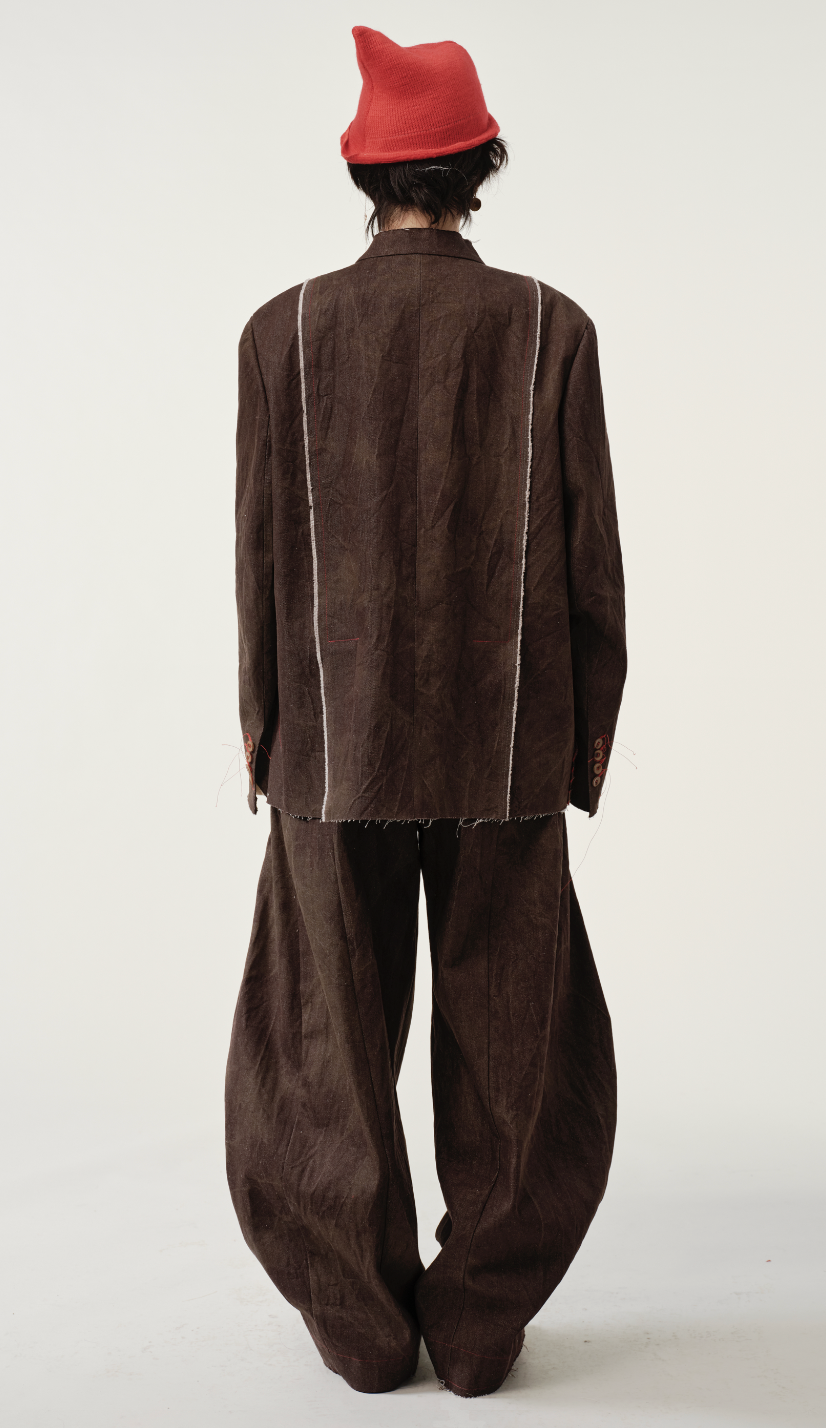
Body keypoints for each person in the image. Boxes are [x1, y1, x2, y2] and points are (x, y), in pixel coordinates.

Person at [225, 25, 626, 1399]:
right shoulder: (549, 328)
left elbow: (257, 557)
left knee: (320, 1048)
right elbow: (592, 564)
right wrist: (582, 740)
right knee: (519, 1049)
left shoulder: (279, 333)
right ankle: (477, 1327)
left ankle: (357, 1323)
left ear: (365, 172)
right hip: (505, 744)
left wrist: (265, 734)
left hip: (328, 752)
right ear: (479, 168)